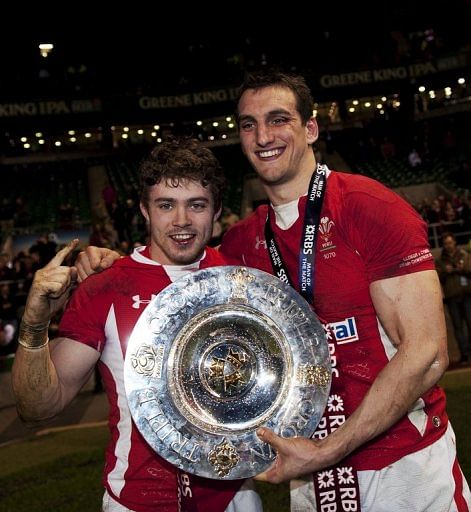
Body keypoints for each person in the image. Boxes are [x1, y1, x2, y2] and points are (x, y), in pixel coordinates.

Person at [75, 71, 471, 511]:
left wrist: (332, 448)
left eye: (278, 118)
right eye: (249, 124)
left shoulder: (369, 207)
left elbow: (427, 351)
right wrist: (106, 261)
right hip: (307, 472)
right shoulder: (243, 244)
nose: (263, 135)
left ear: (311, 128)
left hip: (402, 465)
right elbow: (171, 259)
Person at [12, 137, 262, 512]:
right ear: (145, 210)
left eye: (197, 205)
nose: (181, 221)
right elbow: (38, 408)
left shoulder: (241, 282)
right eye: (166, 205)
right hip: (138, 500)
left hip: (234, 497)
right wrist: (33, 325)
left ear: (216, 210)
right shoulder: (106, 286)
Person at [436, 231, 471, 364]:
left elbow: (469, 269)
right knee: (458, 327)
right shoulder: (440, 261)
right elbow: (438, 276)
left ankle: (469, 351)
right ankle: (464, 354)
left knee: (470, 323)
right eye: (445, 243)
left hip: (467, 294)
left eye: (450, 242)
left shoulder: (464, 255)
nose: (448, 245)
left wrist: (463, 268)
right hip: (452, 298)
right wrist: (446, 272)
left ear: (454, 242)